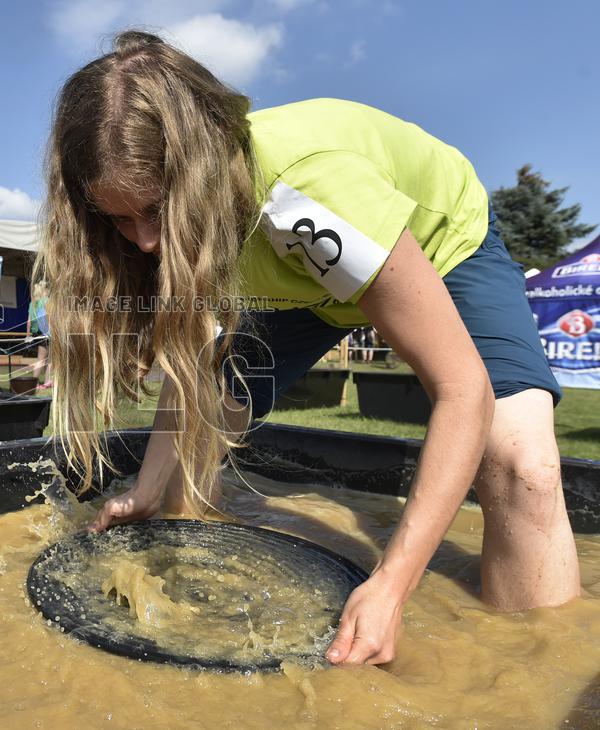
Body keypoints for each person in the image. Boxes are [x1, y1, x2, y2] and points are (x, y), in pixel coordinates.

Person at [37, 31, 580, 667]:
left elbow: (464, 390)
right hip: (310, 288)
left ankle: (537, 670)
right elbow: (196, 376)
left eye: (157, 210)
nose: (147, 242)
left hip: (441, 249)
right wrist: (148, 491)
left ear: (206, 166)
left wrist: (391, 587)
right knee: (211, 418)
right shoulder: (173, 227)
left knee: (523, 469)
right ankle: (186, 570)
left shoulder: (303, 198)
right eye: (118, 221)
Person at [29, 281, 52, 389]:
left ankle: (40, 382)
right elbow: (46, 319)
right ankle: (45, 381)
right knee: (49, 359)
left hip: (37, 333)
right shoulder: (47, 301)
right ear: (46, 290)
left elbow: (30, 320)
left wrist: (28, 334)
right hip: (46, 333)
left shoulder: (34, 302)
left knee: (42, 359)